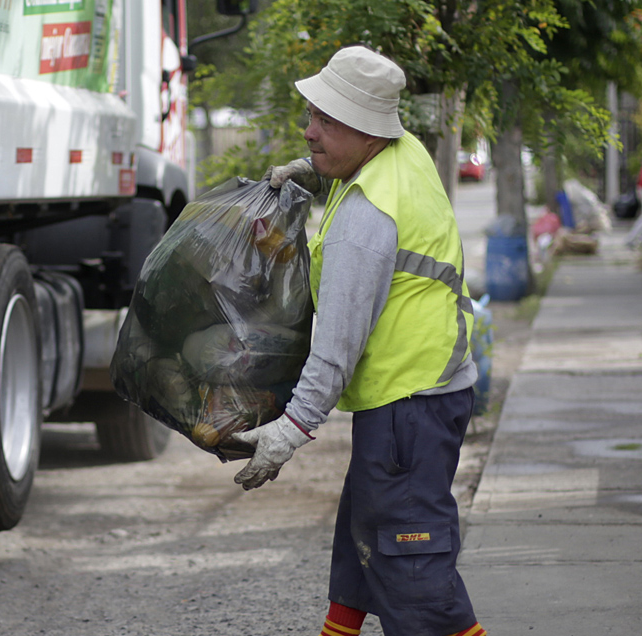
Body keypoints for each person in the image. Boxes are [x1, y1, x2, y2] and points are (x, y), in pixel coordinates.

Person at [230, 46, 486, 636]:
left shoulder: (364, 221)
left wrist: (289, 432)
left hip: (408, 407)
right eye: (311, 115)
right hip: (424, 398)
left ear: (364, 128)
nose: (309, 129)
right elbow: (352, 165)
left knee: (413, 569)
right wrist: (308, 167)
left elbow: (336, 349)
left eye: (324, 120)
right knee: (363, 549)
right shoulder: (403, 156)